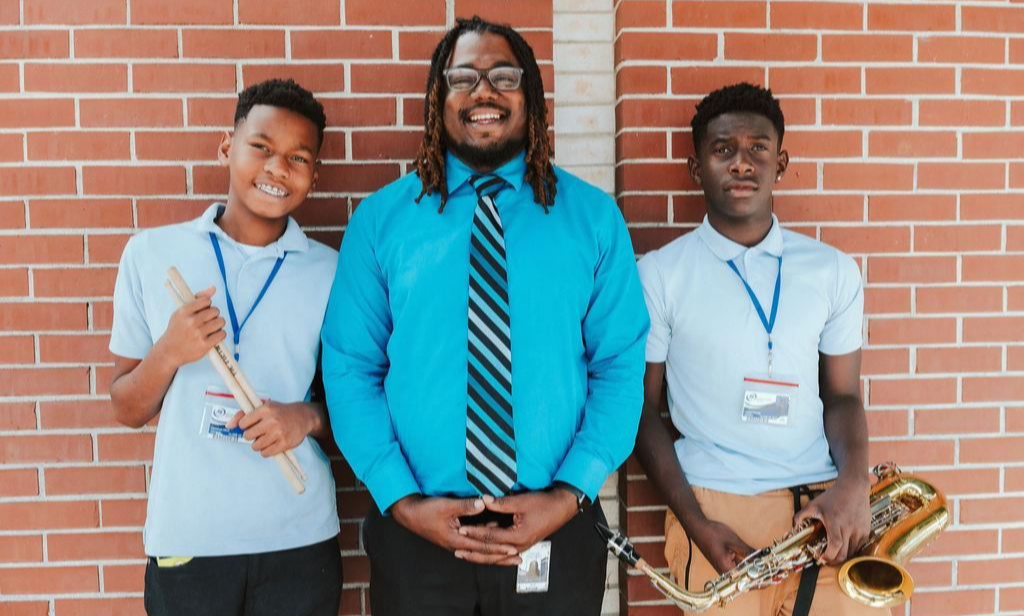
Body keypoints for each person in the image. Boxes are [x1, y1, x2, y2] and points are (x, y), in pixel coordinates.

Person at [322, 15, 649, 616]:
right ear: (436, 99)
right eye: (463, 78)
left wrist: (569, 493)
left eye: (504, 76)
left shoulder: (593, 219)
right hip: (417, 531)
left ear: (532, 97)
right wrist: (400, 500)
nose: (483, 92)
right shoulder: (381, 221)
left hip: (558, 524)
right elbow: (349, 368)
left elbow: (620, 368)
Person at [635, 83, 875, 616]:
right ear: (697, 168)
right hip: (718, 512)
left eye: (758, 148)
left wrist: (854, 485)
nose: (741, 163)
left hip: (822, 510)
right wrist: (698, 527)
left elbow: (841, 398)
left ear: (780, 162)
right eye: (723, 149)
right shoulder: (659, 276)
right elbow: (642, 413)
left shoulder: (832, 270)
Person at [108, 78, 342, 616]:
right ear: (226, 147)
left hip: (298, 538)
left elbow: (359, 406)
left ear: (313, 174)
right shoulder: (151, 253)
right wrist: (170, 349)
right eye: (260, 146)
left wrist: (304, 418)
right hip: (190, 541)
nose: (277, 168)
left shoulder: (332, 272)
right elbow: (126, 407)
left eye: (298, 157)